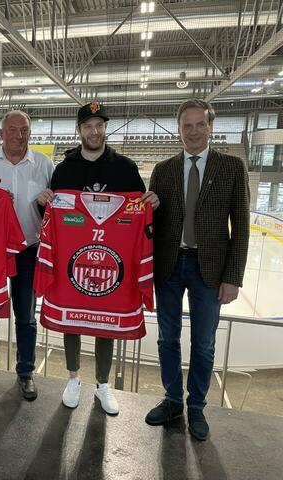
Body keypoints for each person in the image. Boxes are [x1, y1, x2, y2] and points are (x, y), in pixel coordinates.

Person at [37, 101, 159, 415]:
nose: (95, 131)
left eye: (100, 125)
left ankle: (103, 385)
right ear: (79, 130)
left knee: (107, 322)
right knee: (72, 320)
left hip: (111, 264)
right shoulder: (65, 169)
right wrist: (44, 202)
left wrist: (150, 203)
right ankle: (74, 378)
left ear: (105, 128)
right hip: (73, 262)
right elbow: (53, 216)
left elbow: (139, 211)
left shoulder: (126, 167)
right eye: (88, 126)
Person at [145, 99, 250, 441]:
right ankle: (173, 400)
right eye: (186, 126)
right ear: (178, 129)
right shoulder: (163, 169)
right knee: (167, 339)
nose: (193, 131)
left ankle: (197, 408)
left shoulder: (232, 168)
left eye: (199, 125)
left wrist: (233, 277)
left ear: (210, 127)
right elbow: (153, 224)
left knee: (203, 344)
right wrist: (152, 207)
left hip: (211, 269)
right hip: (170, 265)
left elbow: (242, 228)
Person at [0, 110, 53, 400]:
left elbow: (54, 209)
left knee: (26, 317)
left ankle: (26, 373)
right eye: (14, 130)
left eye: (25, 130)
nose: (20, 135)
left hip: (29, 251)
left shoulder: (44, 164)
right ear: (1, 133)